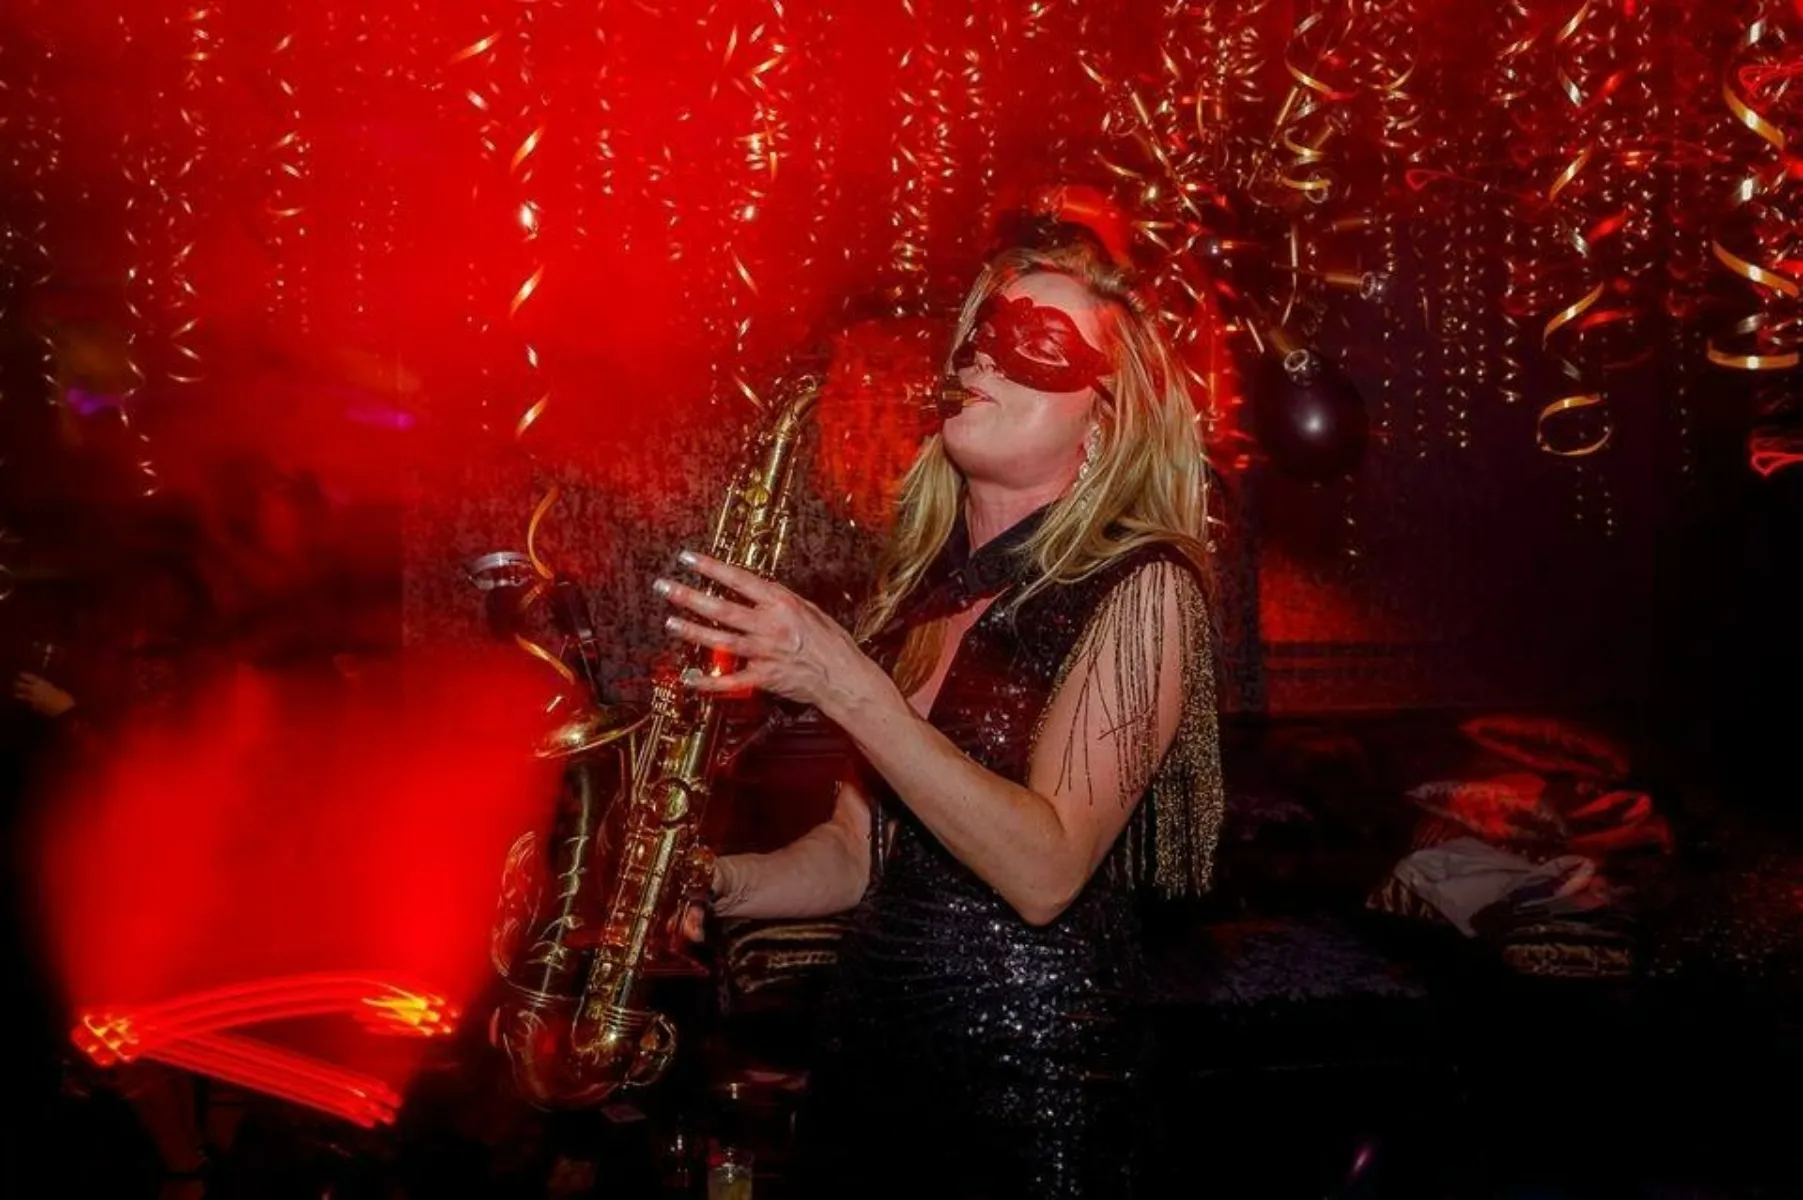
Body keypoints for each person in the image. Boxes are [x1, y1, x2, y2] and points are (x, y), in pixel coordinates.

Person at [656, 221, 1223, 1197]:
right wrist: (718, 881)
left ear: (1107, 423)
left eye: (1036, 342)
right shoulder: (931, 601)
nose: (980, 356)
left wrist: (845, 684)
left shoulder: (1149, 588)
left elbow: (1046, 869)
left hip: (1030, 1090)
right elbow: (855, 856)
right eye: (978, 334)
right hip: (871, 1064)